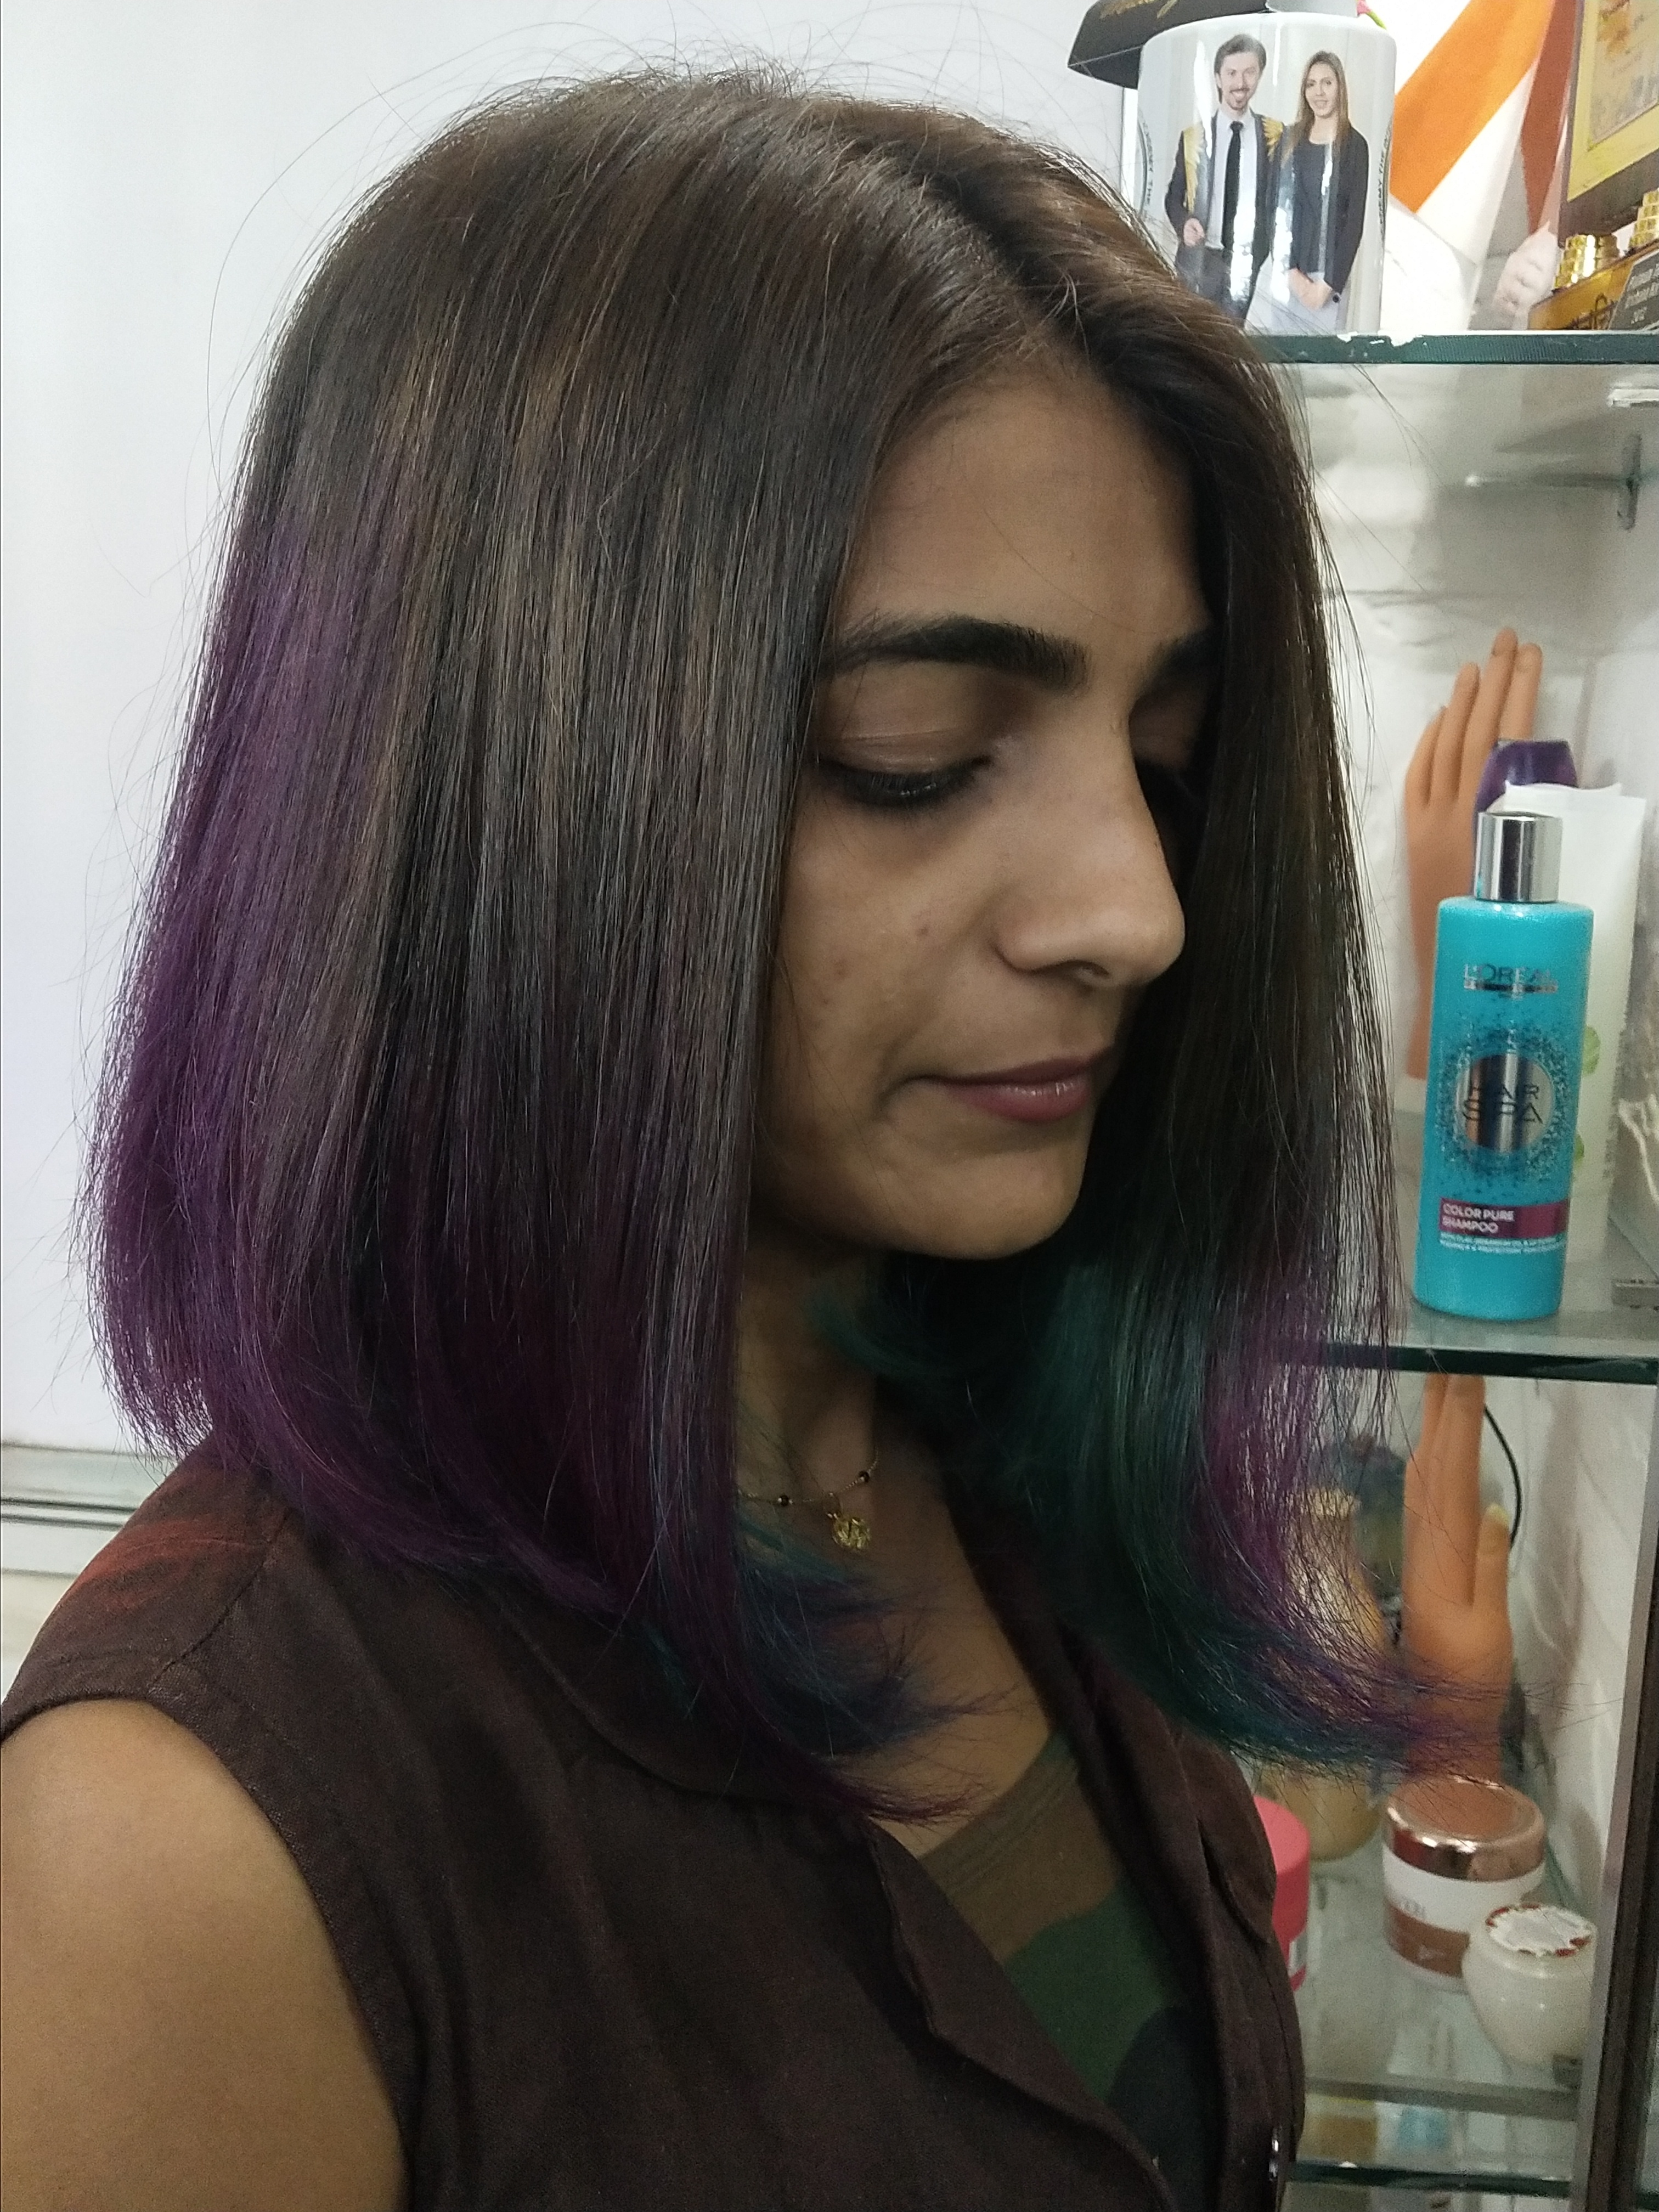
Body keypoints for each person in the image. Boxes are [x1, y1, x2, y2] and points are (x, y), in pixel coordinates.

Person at [1, 74, 1402, 2212]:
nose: (1135, 912)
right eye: (916, 754)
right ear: (499, 787)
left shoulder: (1010, 1458)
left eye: (1167, 753)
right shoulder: (185, 1852)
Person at [1248, 52, 1370, 336]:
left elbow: (1354, 224)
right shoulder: (1289, 141)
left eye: (1327, 83)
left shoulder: (1355, 146)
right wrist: (1291, 272)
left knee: (1323, 363)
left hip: (1327, 286)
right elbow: (1273, 209)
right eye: (1311, 84)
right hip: (1287, 279)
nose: (1319, 92)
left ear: (1340, 87)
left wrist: (1325, 287)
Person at [1165, 33, 1284, 321]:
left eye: (1249, 72)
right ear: (1218, 78)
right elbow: (1173, 197)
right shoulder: (1193, 137)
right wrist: (1184, 223)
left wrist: (1262, 252)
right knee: (1191, 335)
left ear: (1260, 75)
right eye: (1231, 73)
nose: (1240, 83)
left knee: (1230, 339)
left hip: (1246, 262)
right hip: (1199, 258)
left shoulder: (1275, 136)